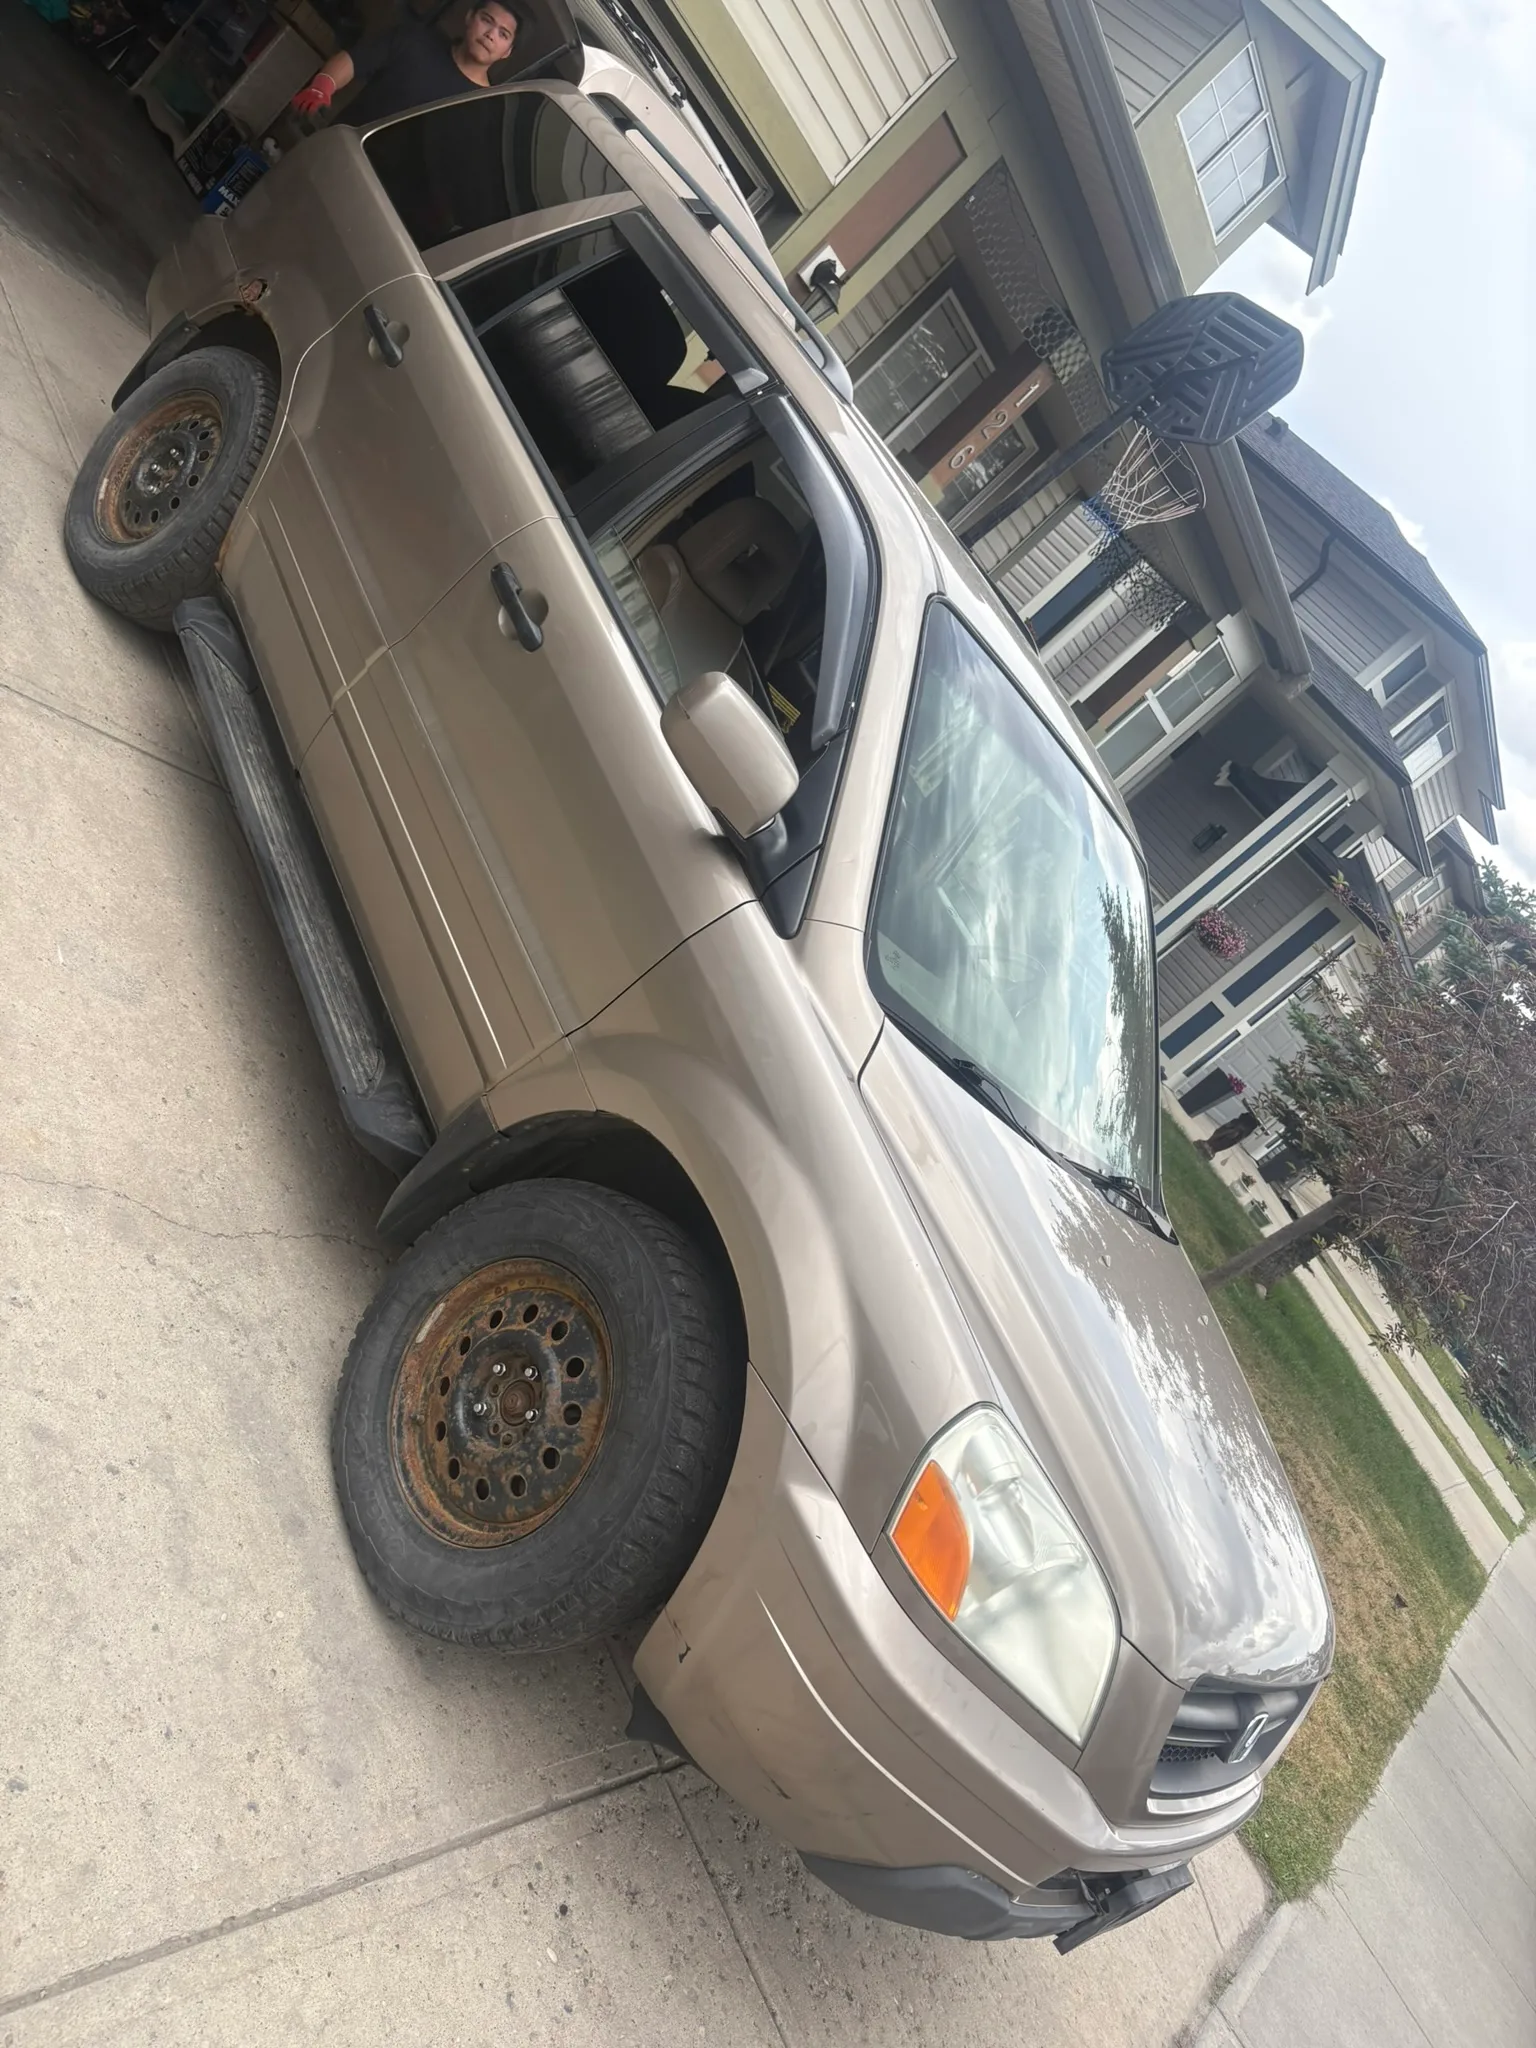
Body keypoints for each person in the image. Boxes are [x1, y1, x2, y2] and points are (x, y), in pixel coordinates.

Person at [291, 2, 521, 127]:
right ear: (470, 16)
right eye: (487, 20)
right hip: (336, 152)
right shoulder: (414, 40)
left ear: (507, 51)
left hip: (386, 201)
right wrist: (322, 86)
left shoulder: (484, 107)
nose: (491, 34)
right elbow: (353, 59)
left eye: (503, 34)